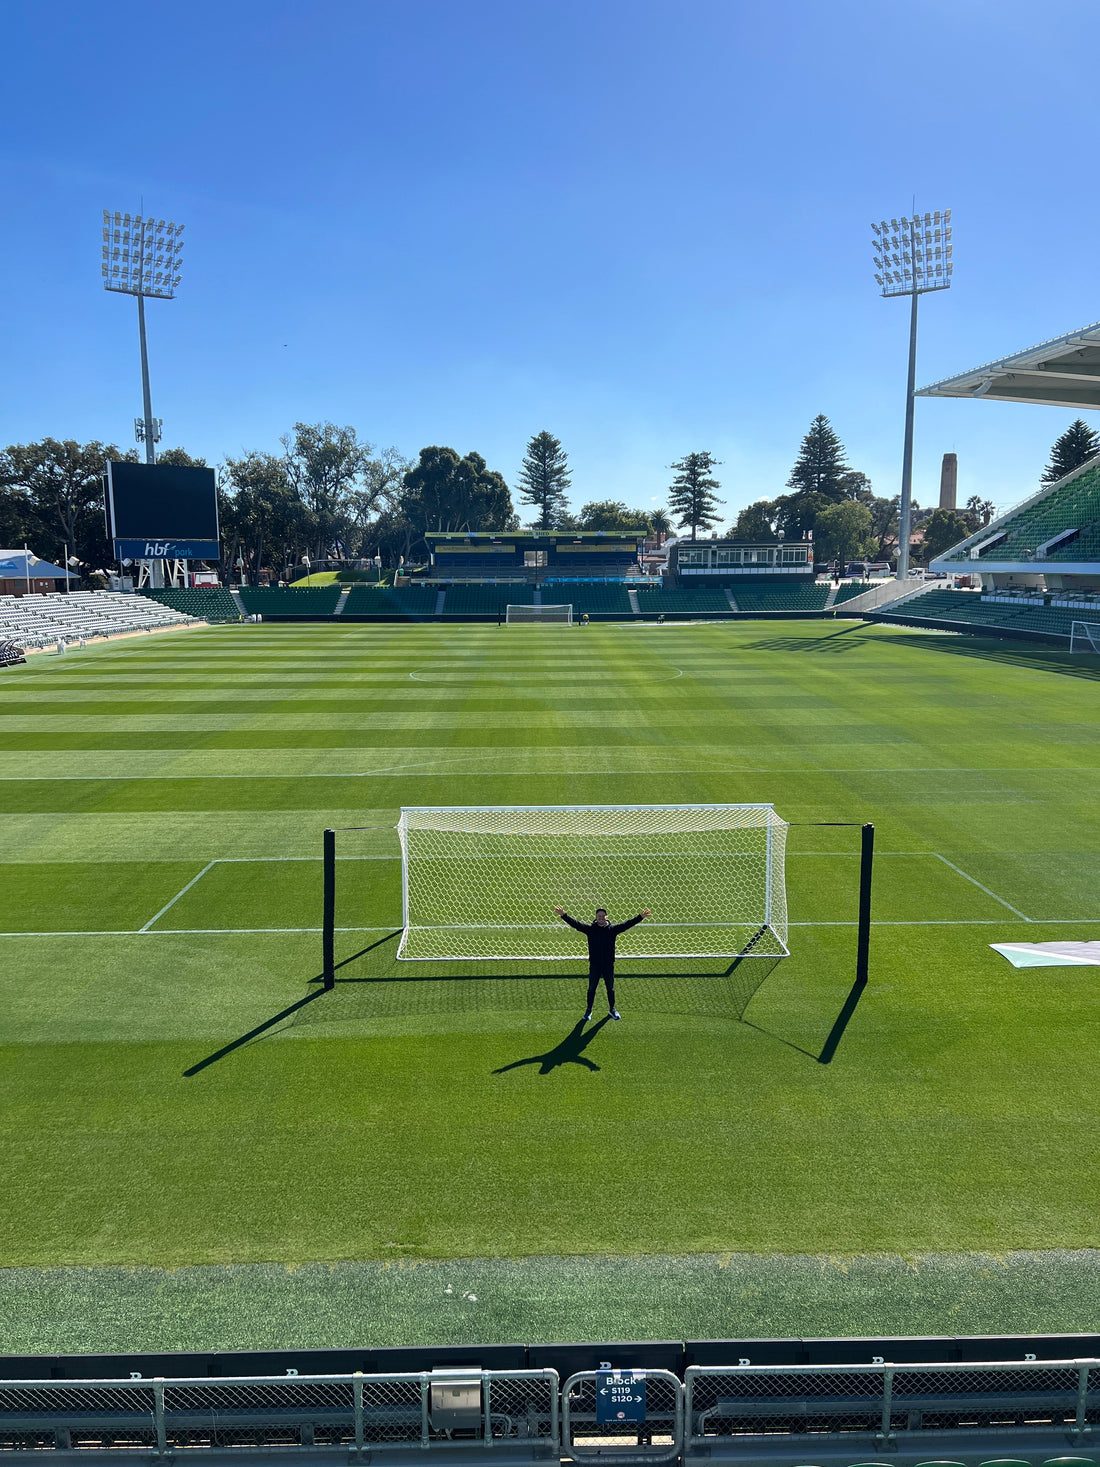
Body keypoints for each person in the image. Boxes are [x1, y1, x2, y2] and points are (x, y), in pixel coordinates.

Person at [552, 905, 651, 1022]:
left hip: (608, 965)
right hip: (595, 965)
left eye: (602, 916)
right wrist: (564, 915)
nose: (600, 918)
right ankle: (588, 1010)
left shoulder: (612, 930)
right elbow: (576, 924)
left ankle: (612, 1009)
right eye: (598, 916)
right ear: (596, 917)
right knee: (591, 989)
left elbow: (627, 924)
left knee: (610, 989)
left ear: (606, 917)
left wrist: (641, 917)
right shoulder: (590, 929)